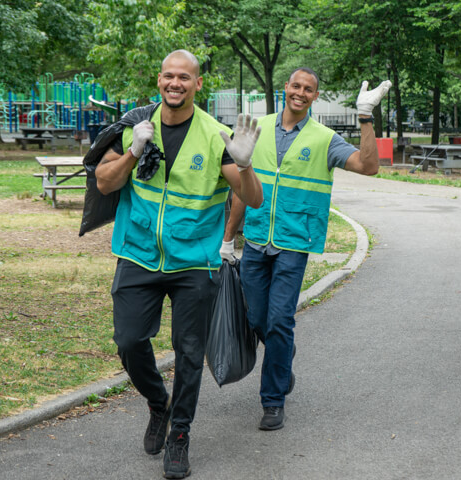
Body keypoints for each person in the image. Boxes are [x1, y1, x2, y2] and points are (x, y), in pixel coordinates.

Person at [94, 50, 262, 479]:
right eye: (169, 76)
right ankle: (158, 404)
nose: (175, 83)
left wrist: (244, 164)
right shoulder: (135, 125)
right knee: (129, 342)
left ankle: (180, 435)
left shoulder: (214, 133)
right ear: (159, 79)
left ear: (197, 84)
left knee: (189, 353)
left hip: (194, 261)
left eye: (184, 77)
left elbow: (255, 198)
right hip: (138, 254)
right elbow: (103, 180)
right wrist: (132, 152)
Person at [220, 67, 391, 430]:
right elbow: (243, 189)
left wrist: (365, 118)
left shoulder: (324, 139)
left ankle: (273, 401)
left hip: (293, 243)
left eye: (308, 89)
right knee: (256, 320)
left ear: (315, 96)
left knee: (280, 320)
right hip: (254, 241)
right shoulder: (256, 127)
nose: (300, 92)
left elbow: (370, 166)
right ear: (286, 88)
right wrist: (227, 238)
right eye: (295, 85)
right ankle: (282, 358)